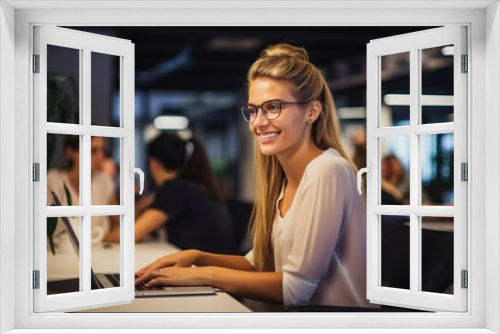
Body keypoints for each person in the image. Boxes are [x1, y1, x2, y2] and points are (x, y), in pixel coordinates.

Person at [134, 43, 374, 308]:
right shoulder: (283, 181)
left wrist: (200, 274)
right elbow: (257, 263)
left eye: (273, 107)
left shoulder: (328, 170)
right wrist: (196, 256)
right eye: (253, 109)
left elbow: (295, 290)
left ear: (312, 112)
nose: (258, 122)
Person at [104, 132, 233, 254]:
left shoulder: (175, 189)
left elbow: (128, 235)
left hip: (200, 269)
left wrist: (97, 236)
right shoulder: (189, 186)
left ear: (153, 163)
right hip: (213, 266)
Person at [47, 135, 119, 244]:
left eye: (102, 150)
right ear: (71, 152)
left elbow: (118, 223)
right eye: (93, 150)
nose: (100, 156)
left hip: (100, 249)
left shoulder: (105, 181)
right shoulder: (53, 180)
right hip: (62, 251)